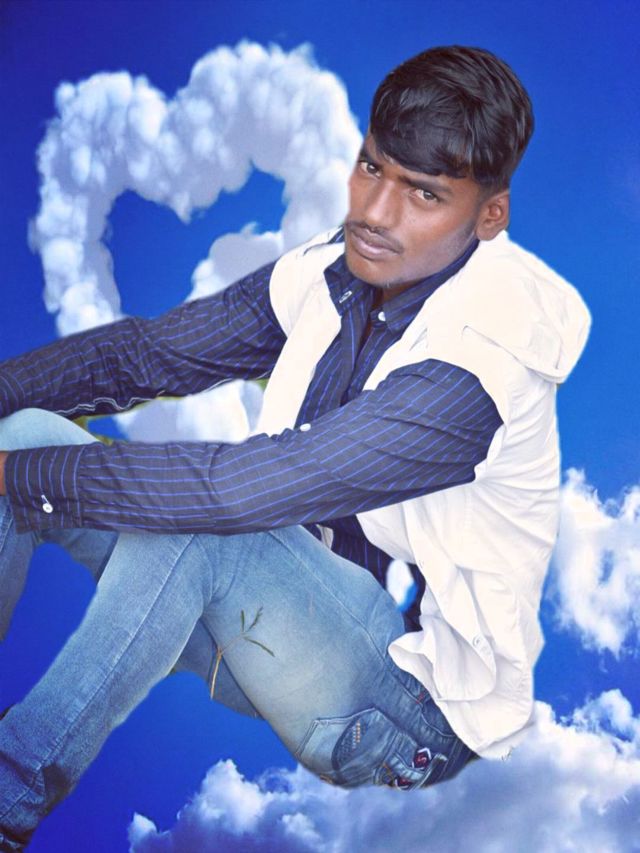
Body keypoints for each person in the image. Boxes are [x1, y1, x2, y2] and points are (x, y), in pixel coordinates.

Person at [0, 44, 590, 849]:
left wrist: (18, 475)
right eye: (372, 168)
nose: (376, 211)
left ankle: (8, 795)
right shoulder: (336, 271)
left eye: (423, 193)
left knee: (196, 516)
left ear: (489, 216)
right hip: (268, 627)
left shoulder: (481, 364)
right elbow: (143, 357)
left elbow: (237, 492)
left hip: (405, 708)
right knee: (26, 431)